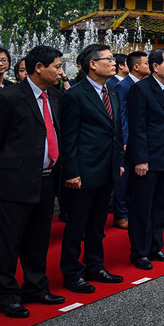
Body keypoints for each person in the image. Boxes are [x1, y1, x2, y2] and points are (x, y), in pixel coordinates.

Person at [0, 45, 67, 318]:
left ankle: (36, 286)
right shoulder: (9, 97)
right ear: (39, 67)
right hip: (14, 181)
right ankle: (7, 295)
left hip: (45, 179)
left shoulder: (54, 95)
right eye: (57, 66)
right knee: (8, 242)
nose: (61, 71)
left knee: (38, 238)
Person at [58, 44, 125, 293]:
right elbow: (69, 137)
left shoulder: (113, 92)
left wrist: (117, 162)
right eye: (107, 59)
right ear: (92, 64)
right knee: (77, 225)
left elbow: (116, 132)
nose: (114, 62)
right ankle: (71, 273)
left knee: (98, 224)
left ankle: (95, 266)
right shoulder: (75, 95)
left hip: (107, 169)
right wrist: (72, 172)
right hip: (83, 171)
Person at [125, 48, 164, 270]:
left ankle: (155, 247)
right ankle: (139, 252)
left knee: (160, 205)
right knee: (141, 207)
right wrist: (140, 159)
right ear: (155, 66)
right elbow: (137, 127)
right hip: (147, 159)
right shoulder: (140, 90)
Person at [112, 51, 149, 230]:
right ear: (136, 66)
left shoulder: (143, 85)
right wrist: (125, 139)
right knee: (123, 178)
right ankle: (120, 214)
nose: (149, 66)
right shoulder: (124, 86)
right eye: (146, 63)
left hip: (140, 139)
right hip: (127, 140)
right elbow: (121, 115)